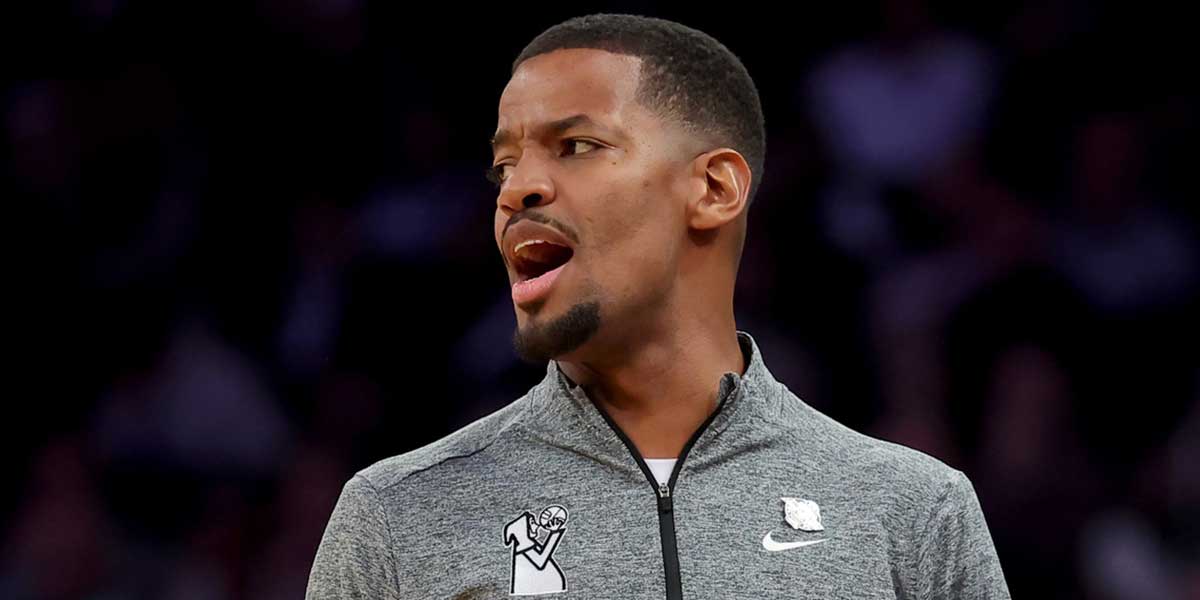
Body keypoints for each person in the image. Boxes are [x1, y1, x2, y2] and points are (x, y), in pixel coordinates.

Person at [306, 13, 1011, 599]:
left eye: (575, 146)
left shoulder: (913, 512)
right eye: (506, 164)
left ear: (714, 190)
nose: (514, 191)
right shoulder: (395, 517)